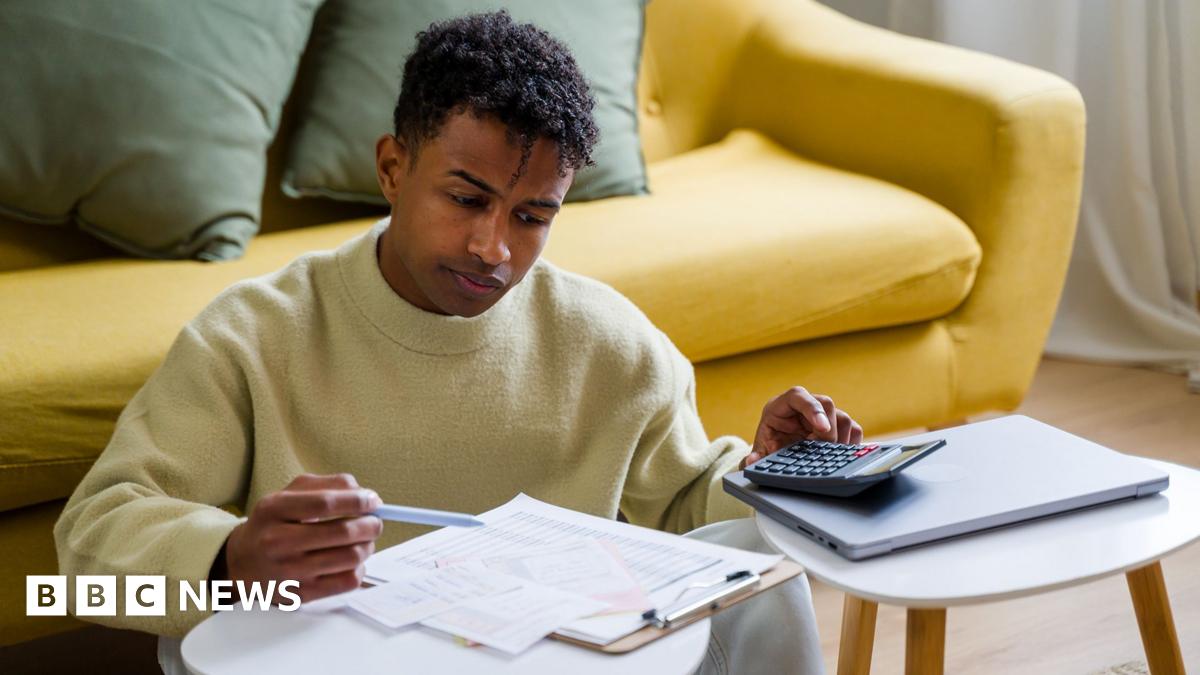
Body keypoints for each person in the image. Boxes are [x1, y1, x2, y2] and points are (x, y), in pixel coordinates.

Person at [55, 10, 860, 674]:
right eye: (466, 197)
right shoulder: (254, 336)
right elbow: (76, 575)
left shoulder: (610, 343)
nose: (493, 247)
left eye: (532, 215)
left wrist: (764, 475)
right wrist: (231, 565)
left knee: (765, 575)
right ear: (392, 168)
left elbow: (691, 509)